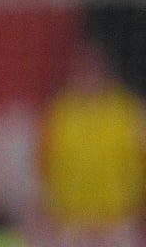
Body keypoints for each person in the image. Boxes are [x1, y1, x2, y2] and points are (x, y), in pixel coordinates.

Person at [39, 36, 146, 247]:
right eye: (83, 68)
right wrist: (48, 213)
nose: (89, 75)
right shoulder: (61, 113)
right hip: (72, 222)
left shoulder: (128, 110)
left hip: (119, 221)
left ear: (106, 69)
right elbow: (45, 167)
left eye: (94, 68)